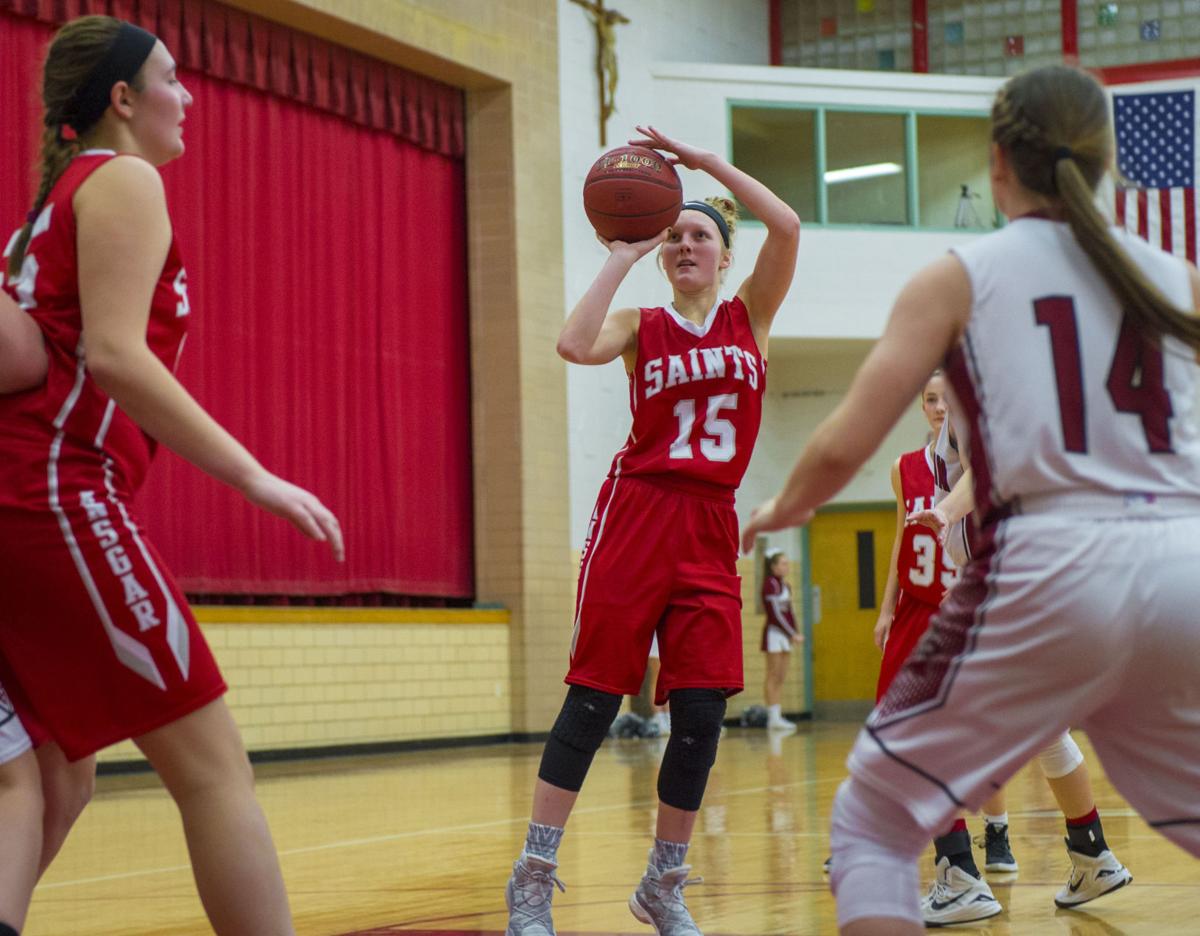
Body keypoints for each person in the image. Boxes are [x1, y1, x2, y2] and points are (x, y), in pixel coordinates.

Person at [741, 63, 1200, 935]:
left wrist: (782, 509)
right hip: (1184, 565)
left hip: (1054, 563)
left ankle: (973, 878)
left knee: (870, 824)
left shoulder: (958, 274)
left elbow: (844, 439)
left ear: (996, 163)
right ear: (1109, 164)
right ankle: (1087, 851)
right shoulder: (1174, 275)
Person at [0, 16, 343, 935]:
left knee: (53, 777)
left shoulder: (45, 212)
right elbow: (115, 355)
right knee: (212, 767)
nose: (187, 96)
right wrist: (255, 476)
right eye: (172, 78)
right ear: (121, 98)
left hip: (26, 498)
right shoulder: (121, 179)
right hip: (56, 494)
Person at [505, 125, 799, 936]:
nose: (685, 245)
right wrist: (624, 249)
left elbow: (788, 225)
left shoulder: (752, 320)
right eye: (675, 237)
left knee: (702, 713)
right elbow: (571, 343)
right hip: (637, 515)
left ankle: (664, 883)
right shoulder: (641, 325)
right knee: (595, 700)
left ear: (723, 254)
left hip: (709, 526)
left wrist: (703, 170)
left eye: (698, 235)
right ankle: (533, 876)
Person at [760, 548, 800, 730]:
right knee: (773, 675)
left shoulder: (786, 585)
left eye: (787, 563)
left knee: (781, 676)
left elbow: (790, 612)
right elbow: (775, 614)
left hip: (785, 635)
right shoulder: (770, 584)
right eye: (783, 563)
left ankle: (777, 714)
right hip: (774, 634)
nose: (786, 566)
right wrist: (791, 633)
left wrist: (795, 632)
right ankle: (772, 717)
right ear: (773, 566)